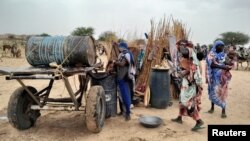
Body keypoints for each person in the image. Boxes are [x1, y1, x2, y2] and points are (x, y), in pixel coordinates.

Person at [171, 41, 204, 131]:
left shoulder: (188, 50)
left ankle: (198, 121)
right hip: (186, 80)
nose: (178, 48)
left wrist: (179, 46)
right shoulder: (189, 54)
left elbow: (191, 69)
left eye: (179, 46)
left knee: (188, 102)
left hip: (191, 82)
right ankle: (179, 117)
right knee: (182, 100)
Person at [206, 40, 232, 118]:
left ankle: (223, 110)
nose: (222, 47)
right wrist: (223, 66)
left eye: (223, 46)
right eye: (220, 46)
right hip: (213, 77)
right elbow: (212, 65)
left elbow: (226, 62)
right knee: (213, 91)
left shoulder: (223, 54)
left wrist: (229, 64)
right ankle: (212, 108)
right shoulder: (211, 54)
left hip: (222, 77)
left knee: (222, 92)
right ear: (215, 46)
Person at [113, 42, 134, 121]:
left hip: (125, 78)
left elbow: (122, 64)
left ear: (123, 47)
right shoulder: (121, 54)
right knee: (121, 96)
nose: (119, 48)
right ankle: (122, 111)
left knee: (125, 96)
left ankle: (128, 114)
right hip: (120, 77)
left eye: (120, 47)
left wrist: (115, 62)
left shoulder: (128, 54)